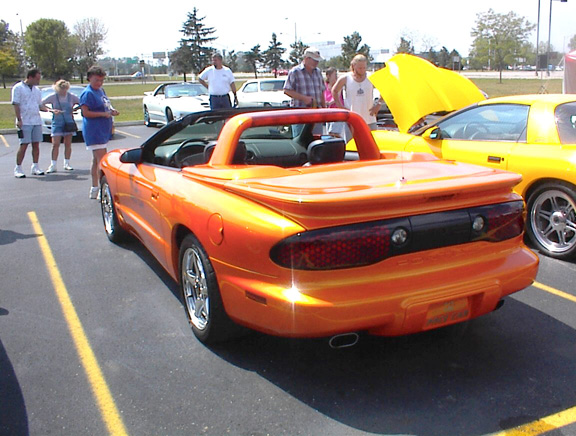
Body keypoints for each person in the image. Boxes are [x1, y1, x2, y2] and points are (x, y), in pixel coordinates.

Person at [80, 66, 119, 199]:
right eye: (96, 80)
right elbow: (85, 113)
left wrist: (111, 111)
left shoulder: (101, 91)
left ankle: (95, 188)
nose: (99, 83)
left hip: (103, 130)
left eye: (101, 80)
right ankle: (102, 189)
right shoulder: (88, 93)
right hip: (94, 131)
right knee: (102, 160)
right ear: (90, 78)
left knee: (96, 160)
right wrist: (103, 114)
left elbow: (106, 105)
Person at [11, 68, 54, 178]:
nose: (38, 81)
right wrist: (19, 119)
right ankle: (18, 167)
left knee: (36, 144)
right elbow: (16, 104)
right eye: (37, 78)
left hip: (36, 120)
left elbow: (40, 105)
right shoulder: (18, 88)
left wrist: (50, 110)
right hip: (25, 121)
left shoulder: (37, 90)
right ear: (30, 77)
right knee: (24, 144)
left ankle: (35, 166)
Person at [332, 54, 382, 140]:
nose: (362, 70)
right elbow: (334, 90)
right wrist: (341, 107)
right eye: (360, 68)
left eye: (364, 68)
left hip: (369, 118)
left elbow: (383, 90)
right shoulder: (346, 78)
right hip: (352, 119)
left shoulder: (371, 77)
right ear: (353, 66)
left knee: (372, 145)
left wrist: (378, 105)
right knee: (352, 146)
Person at [42, 80, 80, 173]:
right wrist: (51, 110)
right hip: (57, 122)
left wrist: (74, 109)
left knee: (68, 143)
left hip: (68, 122)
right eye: (61, 89)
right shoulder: (53, 96)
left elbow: (82, 103)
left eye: (65, 89)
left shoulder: (71, 96)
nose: (63, 91)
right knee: (55, 144)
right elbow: (41, 104)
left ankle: (67, 163)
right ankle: (53, 164)